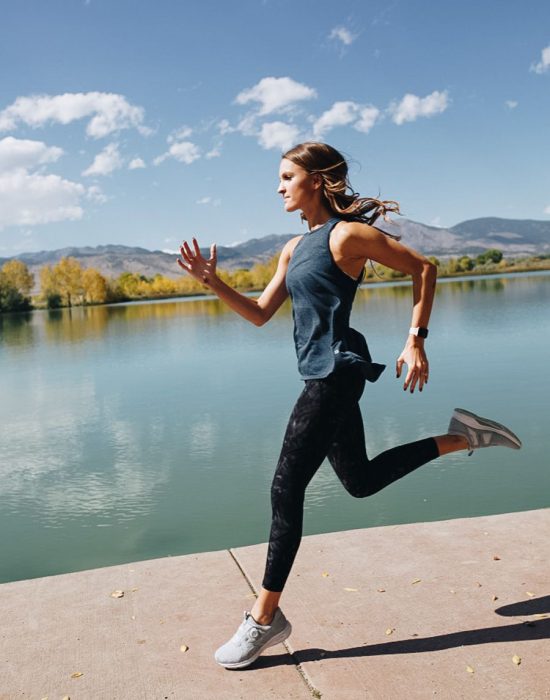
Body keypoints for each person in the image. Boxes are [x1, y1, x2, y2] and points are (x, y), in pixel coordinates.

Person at [176, 141, 522, 670]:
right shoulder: (294, 248)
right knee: (359, 481)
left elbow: (424, 269)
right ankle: (463, 435)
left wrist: (416, 338)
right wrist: (214, 282)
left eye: (287, 176)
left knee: (284, 488)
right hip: (322, 374)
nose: (279, 186)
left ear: (316, 180)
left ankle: (263, 619)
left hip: (337, 375)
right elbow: (261, 314)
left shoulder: (348, 236)